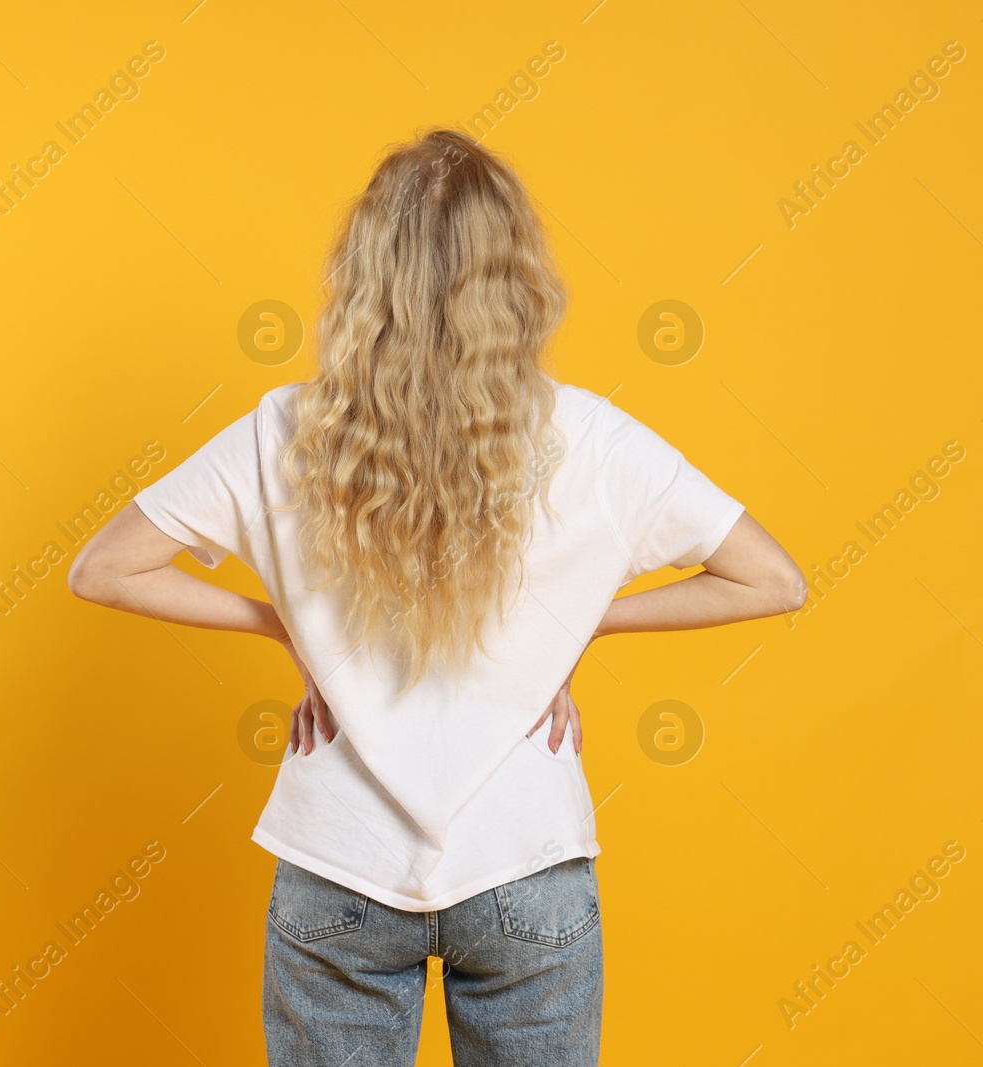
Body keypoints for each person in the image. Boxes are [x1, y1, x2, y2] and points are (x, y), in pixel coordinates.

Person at [67, 127, 806, 1067]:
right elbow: (774, 580)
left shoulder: (285, 430)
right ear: (516, 276)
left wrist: (293, 626)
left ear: (363, 270)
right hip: (525, 859)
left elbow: (104, 568)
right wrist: (566, 629)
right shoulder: (594, 437)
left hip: (340, 860)